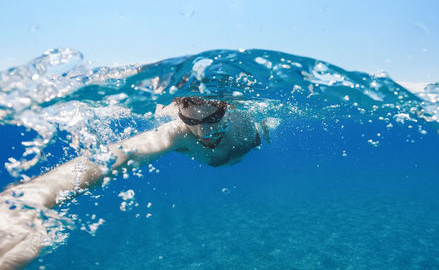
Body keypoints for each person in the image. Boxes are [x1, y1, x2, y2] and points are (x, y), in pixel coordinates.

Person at [0, 96, 272, 270]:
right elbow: (113, 156)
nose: (204, 132)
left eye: (213, 118)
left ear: (229, 107)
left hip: (255, 141)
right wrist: (28, 199)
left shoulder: (244, 116)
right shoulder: (175, 133)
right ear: (180, 114)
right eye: (192, 120)